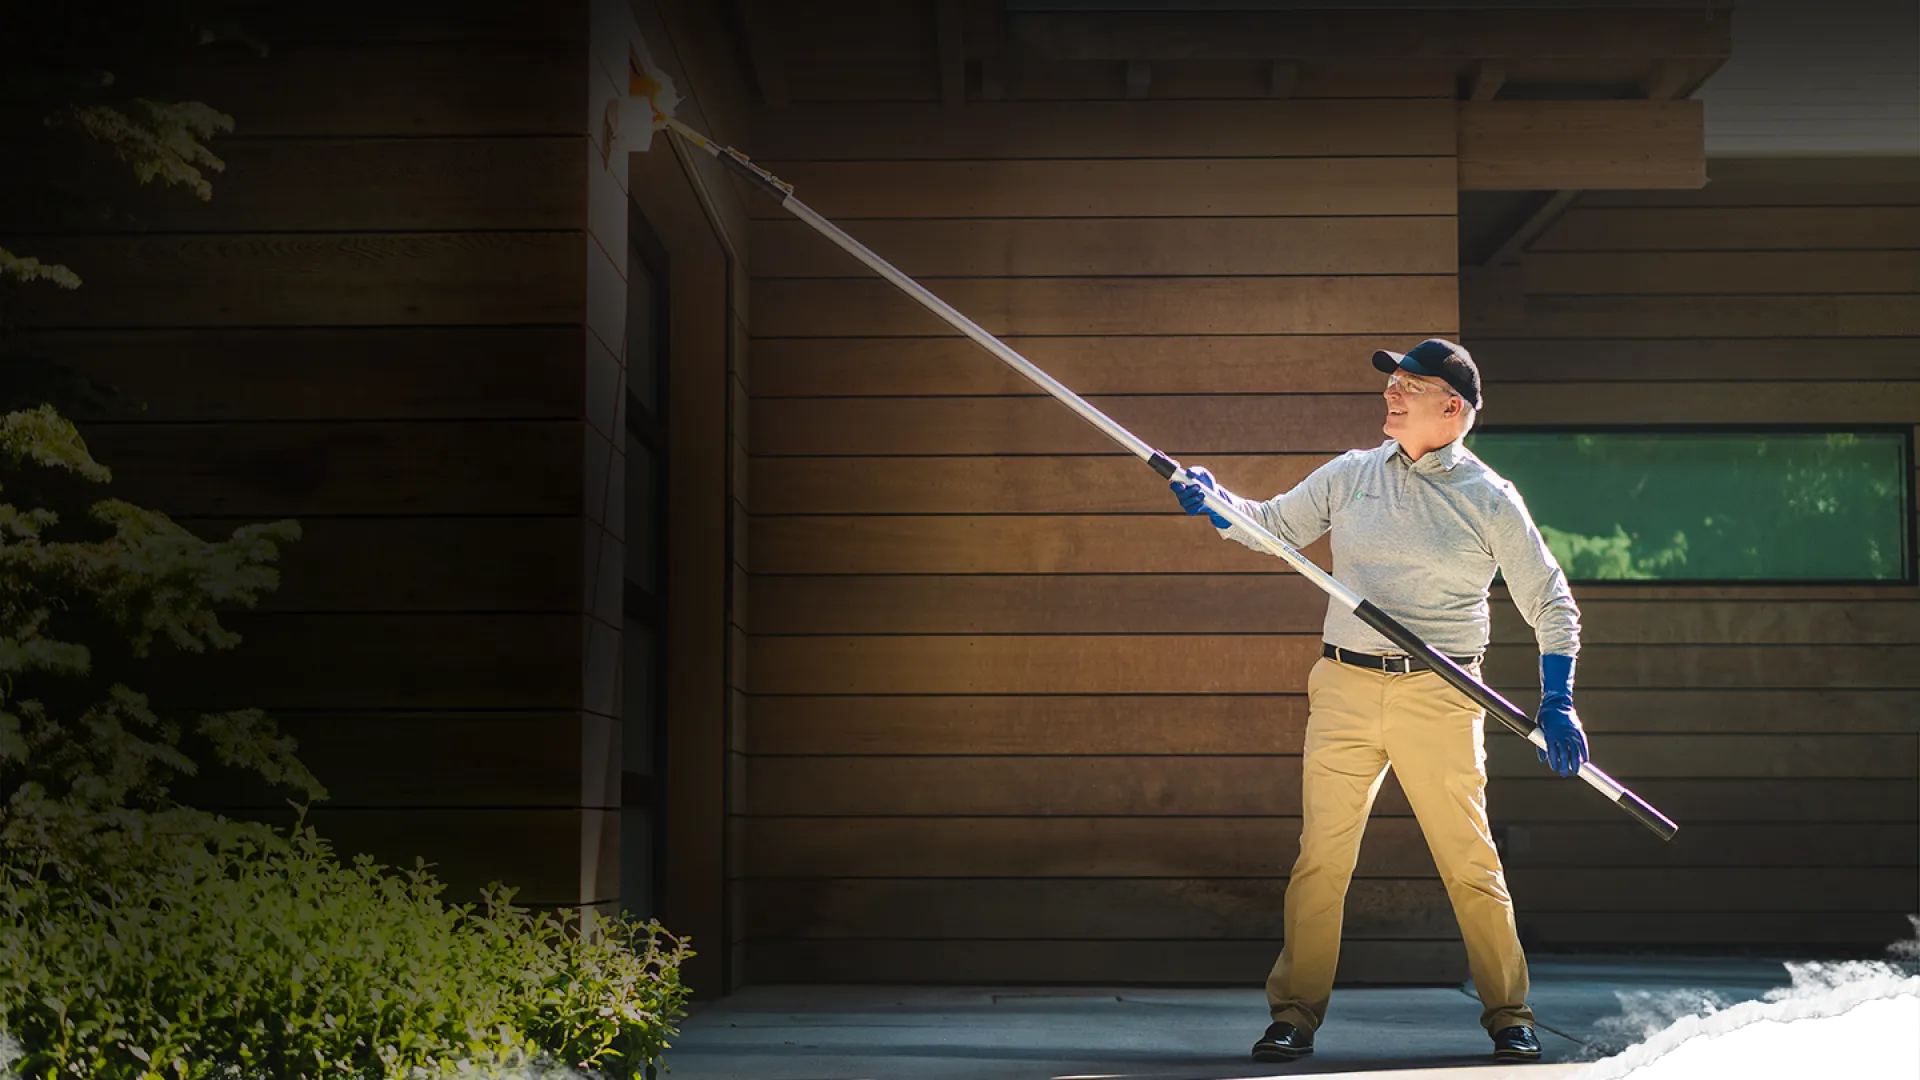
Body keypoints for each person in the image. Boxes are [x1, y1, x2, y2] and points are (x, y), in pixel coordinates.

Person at [1169, 338, 1589, 1065]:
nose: (1391, 394)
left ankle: (1509, 1014)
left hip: (1443, 694)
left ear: (1452, 409)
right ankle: (1293, 1015)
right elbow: (1272, 529)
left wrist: (1559, 699)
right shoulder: (1352, 473)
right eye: (1391, 382)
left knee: (1469, 862)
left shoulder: (1490, 497)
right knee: (1321, 859)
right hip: (1345, 685)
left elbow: (1552, 602)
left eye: (1410, 385)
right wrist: (1214, 502)